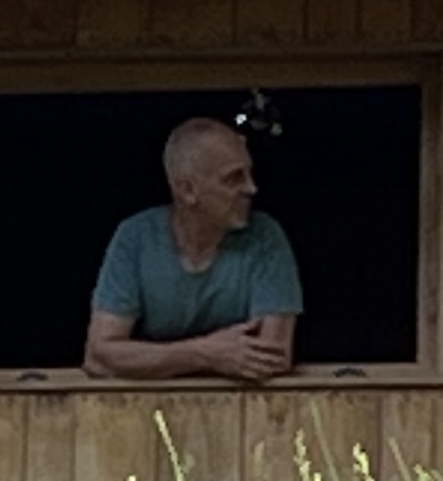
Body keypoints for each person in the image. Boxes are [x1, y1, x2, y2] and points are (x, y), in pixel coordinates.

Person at [85, 117, 301, 382]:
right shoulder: (136, 237)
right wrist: (205, 353)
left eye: (249, 173)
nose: (251, 188)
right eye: (234, 178)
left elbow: (272, 357)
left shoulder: (265, 236)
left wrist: (147, 361)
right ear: (187, 190)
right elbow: (99, 355)